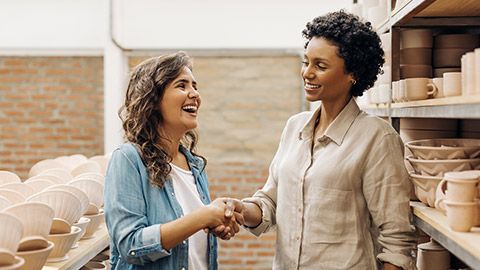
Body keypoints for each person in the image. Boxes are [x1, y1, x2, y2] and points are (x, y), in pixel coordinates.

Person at [219, 10, 417, 270]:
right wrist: (240, 208)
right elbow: (271, 202)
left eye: (320, 66)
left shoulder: (377, 138)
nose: (307, 73)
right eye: (306, 62)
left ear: (352, 74)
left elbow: (397, 240)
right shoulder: (294, 127)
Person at [104, 51, 241, 270]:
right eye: (182, 85)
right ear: (153, 99)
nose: (194, 94)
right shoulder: (128, 159)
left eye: (195, 86)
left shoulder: (195, 165)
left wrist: (217, 224)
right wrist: (203, 216)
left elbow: (193, 242)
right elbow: (129, 244)